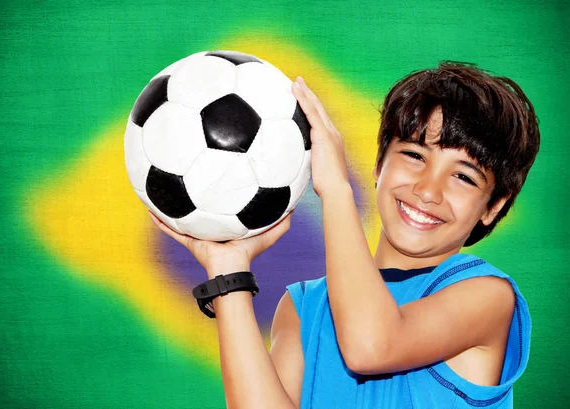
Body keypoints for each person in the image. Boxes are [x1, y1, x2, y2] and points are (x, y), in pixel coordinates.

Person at [148, 61, 540, 408]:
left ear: (494, 206)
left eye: (463, 176)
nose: (427, 190)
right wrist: (226, 270)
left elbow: (370, 345)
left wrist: (335, 187)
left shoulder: (487, 296)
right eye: (415, 156)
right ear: (379, 163)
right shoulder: (303, 306)